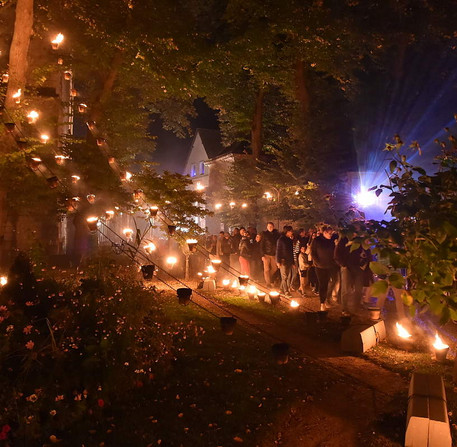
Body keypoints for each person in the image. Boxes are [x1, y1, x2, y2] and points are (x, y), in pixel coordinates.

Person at [335, 232, 372, 316]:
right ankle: (345, 309)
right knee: (346, 288)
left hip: (358, 267)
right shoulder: (343, 240)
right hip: (346, 267)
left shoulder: (359, 241)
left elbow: (367, 252)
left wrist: (364, 259)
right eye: (354, 232)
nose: (355, 234)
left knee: (358, 288)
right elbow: (337, 254)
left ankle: (355, 307)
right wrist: (343, 265)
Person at [311, 225, 339, 311]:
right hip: (320, 267)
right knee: (323, 285)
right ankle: (322, 303)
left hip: (332, 266)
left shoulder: (332, 240)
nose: (330, 235)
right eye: (329, 233)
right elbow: (313, 253)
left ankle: (328, 298)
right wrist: (317, 262)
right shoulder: (317, 240)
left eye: (331, 233)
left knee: (334, 281)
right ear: (324, 233)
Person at [276, 225, 294, 297]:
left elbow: (291, 251)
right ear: (287, 231)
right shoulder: (281, 240)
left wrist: (292, 262)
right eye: (291, 231)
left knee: (286, 276)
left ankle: (281, 289)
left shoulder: (289, 240)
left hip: (289, 260)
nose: (292, 232)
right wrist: (278, 261)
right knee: (284, 277)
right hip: (283, 260)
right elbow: (278, 251)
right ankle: (286, 291)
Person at [260, 222, 280, 287]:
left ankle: (270, 278)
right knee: (266, 269)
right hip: (266, 254)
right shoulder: (264, 234)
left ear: (273, 227)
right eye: (268, 226)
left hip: (274, 254)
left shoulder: (276, 234)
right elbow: (261, 245)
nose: (270, 228)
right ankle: (268, 283)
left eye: (271, 226)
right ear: (267, 227)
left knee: (274, 268)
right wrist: (262, 255)